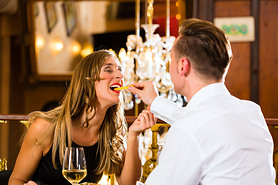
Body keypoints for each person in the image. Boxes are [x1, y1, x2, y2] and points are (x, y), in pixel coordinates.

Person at [128, 18, 276, 184]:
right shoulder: (251, 112)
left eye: (171, 59)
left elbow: (197, 126)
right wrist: (155, 101)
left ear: (182, 66)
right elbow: (206, 122)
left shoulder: (190, 129)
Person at [8, 50, 156, 185]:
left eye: (120, 70)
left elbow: (129, 184)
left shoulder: (112, 133)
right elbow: (16, 180)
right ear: (87, 81)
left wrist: (134, 135)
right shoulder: (45, 127)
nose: (120, 76)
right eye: (108, 70)